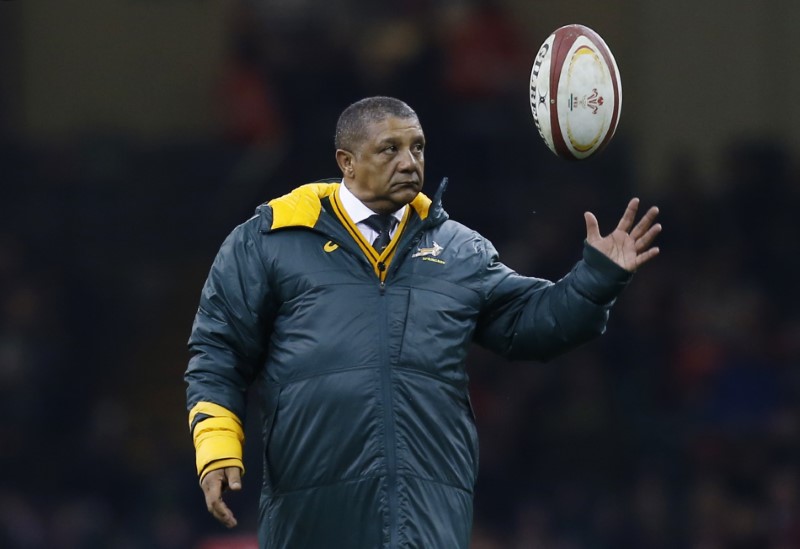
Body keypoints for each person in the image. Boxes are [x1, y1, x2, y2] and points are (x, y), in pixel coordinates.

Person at [185, 96, 661, 548]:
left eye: (418, 147)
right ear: (346, 162)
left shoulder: (459, 250)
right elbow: (217, 351)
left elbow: (531, 323)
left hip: (427, 516)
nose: (410, 162)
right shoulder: (269, 240)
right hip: (311, 517)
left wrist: (598, 278)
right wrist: (217, 449)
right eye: (389, 149)